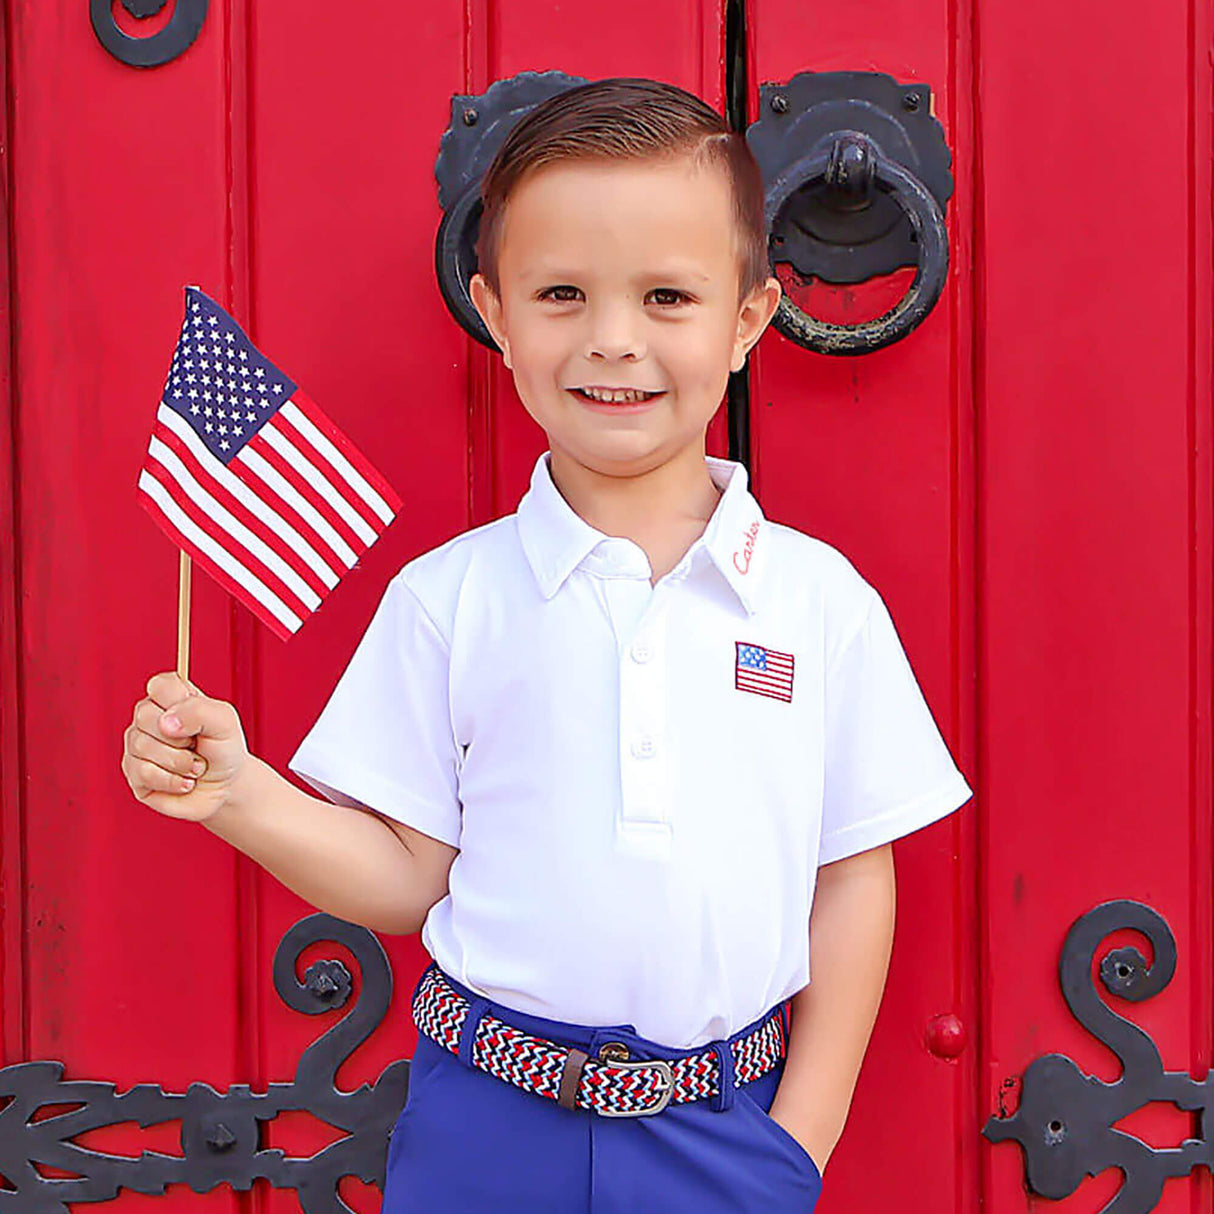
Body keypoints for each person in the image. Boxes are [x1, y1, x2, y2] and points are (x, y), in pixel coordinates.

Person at [120, 77, 972, 1213]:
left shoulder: (818, 602)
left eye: (667, 295)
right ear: (498, 312)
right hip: (487, 1123)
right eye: (561, 292)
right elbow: (404, 876)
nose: (611, 340)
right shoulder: (452, 598)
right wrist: (239, 795)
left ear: (748, 319)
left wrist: (795, 1144)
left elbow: (854, 872)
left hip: (721, 1129)